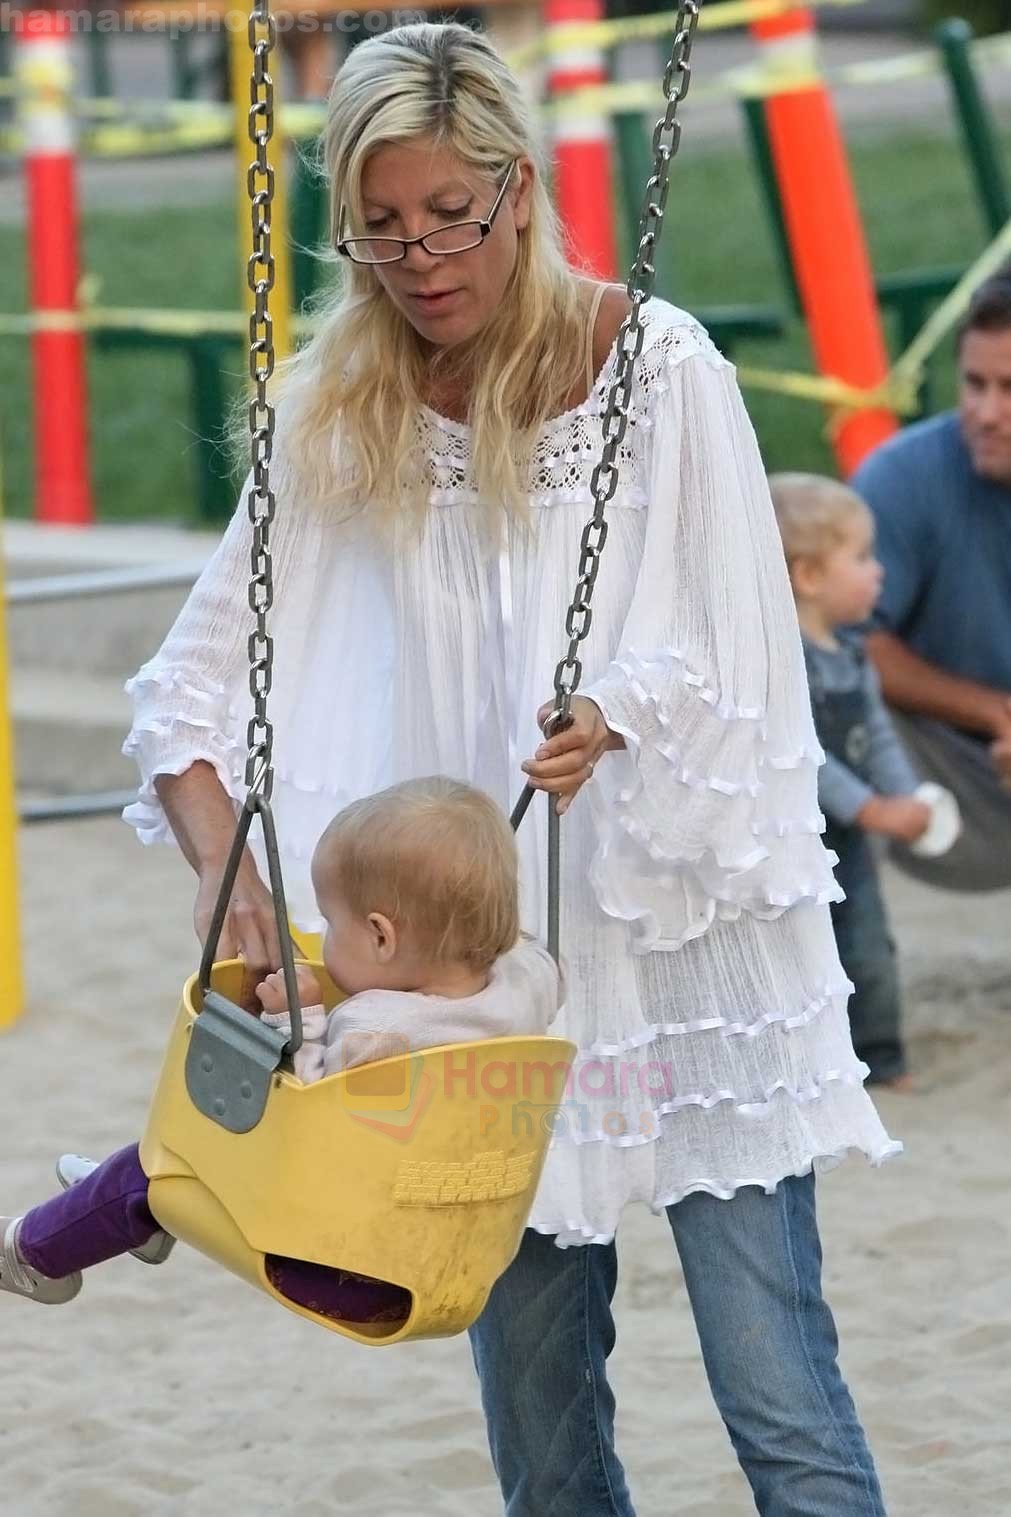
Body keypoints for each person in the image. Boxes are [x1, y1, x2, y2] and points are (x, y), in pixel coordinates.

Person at [117, 24, 899, 1515]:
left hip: (680, 944)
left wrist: (608, 709)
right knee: (538, 1418)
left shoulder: (655, 371)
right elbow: (186, 700)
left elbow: (737, 650)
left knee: (771, 1377)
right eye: (381, 227)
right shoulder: (334, 410)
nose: (420, 259)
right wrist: (233, 902)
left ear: (518, 193)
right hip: (485, 983)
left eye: (449, 216)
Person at [0, 777, 559, 1322]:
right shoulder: (528, 981)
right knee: (163, 1173)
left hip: (340, 1268)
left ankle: (35, 1254)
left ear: (382, 937)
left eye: (332, 926)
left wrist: (299, 1016)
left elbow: (308, 1105)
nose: (323, 937)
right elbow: (528, 958)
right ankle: (130, 1213)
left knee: (165, 1163)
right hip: (450, 1260)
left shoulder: (375, 1027)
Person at [769, 473, 933, 1088]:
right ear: (809, 576)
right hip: (795, 840)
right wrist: (870, 808)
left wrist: (909, 796)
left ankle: (880, 1058)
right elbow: (802, 754)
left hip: (851, 846)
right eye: (862, 557)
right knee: (801, 955)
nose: (879, 571)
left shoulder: (856, 653)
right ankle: (808, 1063)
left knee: (868, 945)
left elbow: (878, 738)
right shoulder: (784, 662)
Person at [851, 263, 1011, 892]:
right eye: (974, 384)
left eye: (1009, 388)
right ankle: (852, 957)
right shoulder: (902, 477)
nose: (987, 412)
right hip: (942, 766)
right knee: (823, 691)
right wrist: (998, 713)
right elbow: (841, 640)